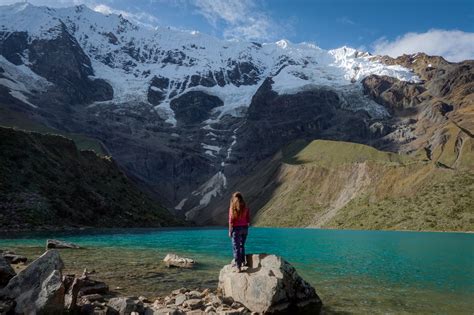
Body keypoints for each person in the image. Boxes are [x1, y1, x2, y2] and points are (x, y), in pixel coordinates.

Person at [228, 192, 250, 272]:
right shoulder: (245, 207)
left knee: (236, 247)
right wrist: (246, 227)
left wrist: (230, 231)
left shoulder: (233, 207)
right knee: (241, 245)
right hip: (245, 228)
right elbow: (248, 219)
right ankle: (243, 262)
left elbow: (231, 220)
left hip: (236, 229)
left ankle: (238, 266)